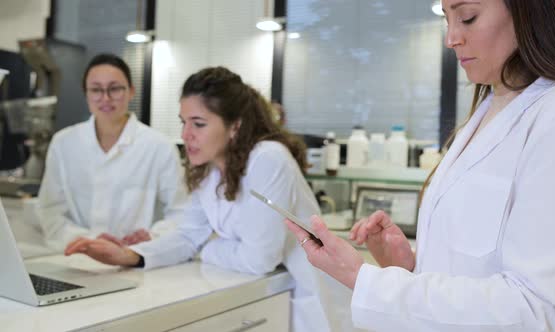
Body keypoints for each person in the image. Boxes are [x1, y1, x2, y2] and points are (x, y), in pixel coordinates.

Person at [286, 0, 555, 330]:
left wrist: (363, 279)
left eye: (468, 17)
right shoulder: (489, 108)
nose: (451, 39)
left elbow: (539, 309)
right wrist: (409, 267)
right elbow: (475, 270)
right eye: (448, 20)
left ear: (529, 11)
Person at [64, 66, 349, 332]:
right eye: (183, 122)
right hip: (270, 291)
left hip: (310, 299)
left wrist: (206, 247)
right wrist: (132, 256)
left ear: (235, 126)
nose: (185, 135)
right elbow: (189, 235)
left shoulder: (268, 158)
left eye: (198, 124)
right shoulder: (210, 168)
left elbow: (259, 259)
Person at [38, 53, 187, 251]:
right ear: (86, 94)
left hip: (137, 259)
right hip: (78, 257)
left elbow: (181, 212)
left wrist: (152, 238)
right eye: (96, 90)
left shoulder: (158, 146)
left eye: (115, 88)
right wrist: (88, 241)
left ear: (131, 91)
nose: (105, 98)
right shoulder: (64, 143)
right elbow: (50, 212)